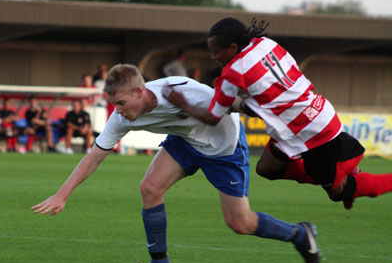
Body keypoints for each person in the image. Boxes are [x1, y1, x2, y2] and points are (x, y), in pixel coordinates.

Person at [32, 64, 321, 263]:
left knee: (240, 223)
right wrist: (62, 195)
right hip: (185, 142)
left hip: (223, 148)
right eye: (113, 105)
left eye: (121, 103)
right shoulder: (121, 117)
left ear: (139, 91)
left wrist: (272, 113)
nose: (117, 111)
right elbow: (94, 157)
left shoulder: (182, 91)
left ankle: (299, 234)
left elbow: (232, 104)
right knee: (149, 188)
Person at [163, 17, 392, 210]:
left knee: (338, 193)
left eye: (215, 50)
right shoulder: (265, 43)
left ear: (232, 47)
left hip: (311, 133)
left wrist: (182, 102)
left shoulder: (233, 74)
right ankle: (340, 173)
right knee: (267, 168)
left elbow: (212, 117)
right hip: (312, 114)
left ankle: (359, 180)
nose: (213, 56)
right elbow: (266, 92)